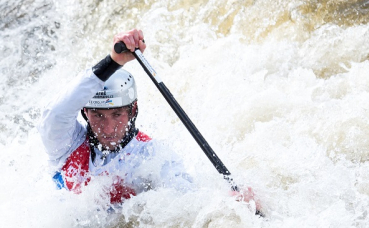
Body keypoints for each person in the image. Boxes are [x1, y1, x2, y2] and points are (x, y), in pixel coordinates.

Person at [39, 29, 262, 212]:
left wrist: (230, 206)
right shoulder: (66, 144)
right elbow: (56, 113)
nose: (107, 128)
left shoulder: (151, 156)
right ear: (85, 112)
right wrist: (113, 62)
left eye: (117, 114)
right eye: (98, 116)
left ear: (133, 110)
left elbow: (190, 205)